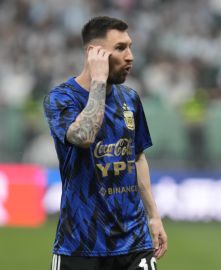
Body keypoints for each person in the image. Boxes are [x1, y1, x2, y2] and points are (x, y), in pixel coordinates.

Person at [43, 16, 167, 270]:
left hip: (134, 242)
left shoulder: (130, 99)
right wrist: (98, 82)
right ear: (94, 53)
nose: (130, 56)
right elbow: (84, 136)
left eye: (130, 46)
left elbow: (137, 157)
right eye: (120, 48)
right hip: (80, 245)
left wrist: (153, 216)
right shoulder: (60, 98)